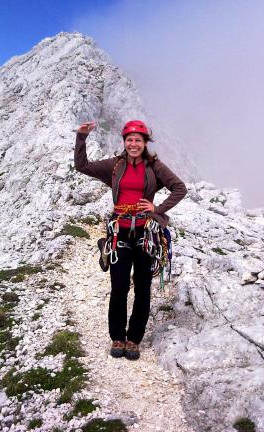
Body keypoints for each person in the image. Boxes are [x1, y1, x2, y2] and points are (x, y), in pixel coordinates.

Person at [74, 119, 187, 360]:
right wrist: (81, 137)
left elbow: (179, 187)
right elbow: (81, 166)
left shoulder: (154, 166)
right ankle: (117, 337)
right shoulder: (115, 165)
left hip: (146, 233)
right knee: (119, 287)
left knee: (143, 288)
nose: (133, 144)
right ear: (124, 142)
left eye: (138, 140)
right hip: (120, 231)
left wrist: (157, 208)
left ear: (145, 143)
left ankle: (134, 339)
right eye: (129, 140)